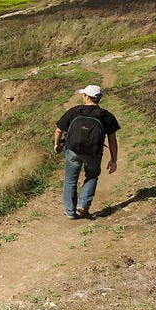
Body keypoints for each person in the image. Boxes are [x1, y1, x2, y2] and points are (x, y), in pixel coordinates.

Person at [54, 84, 120, 219]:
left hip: (73, 151)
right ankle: (83, 204)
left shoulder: (74, 111)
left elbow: (59, 130)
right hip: (93, 153)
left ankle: (70, 212)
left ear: (85, 96)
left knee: (70, 180)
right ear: (99, 98)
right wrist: (113, 159)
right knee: (92, 176)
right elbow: (112, 139)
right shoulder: (105, 115)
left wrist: (56, 144)